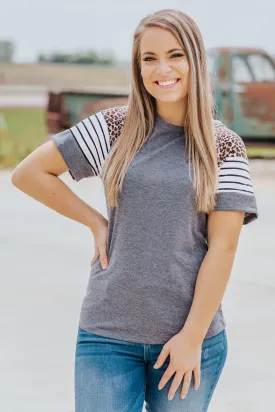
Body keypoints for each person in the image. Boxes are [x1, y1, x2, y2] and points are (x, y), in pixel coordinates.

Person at [11, 8, 259, 412]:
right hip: (106, 334)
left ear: (195, 60)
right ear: (137, 66)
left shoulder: (224, 146)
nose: (163, 68)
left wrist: (192, 337)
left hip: (189, 336)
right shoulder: (116, 128)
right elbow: (29, 173)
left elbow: (223, 248)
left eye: (175, 55)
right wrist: (95, 222)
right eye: (149, 58)